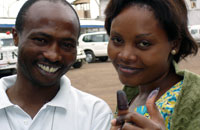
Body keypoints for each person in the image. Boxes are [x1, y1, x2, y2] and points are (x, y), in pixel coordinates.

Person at [0, 0, 113, 130]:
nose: (53, 56)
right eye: (41, 40)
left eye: (67, 45)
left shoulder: (94, 114)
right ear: (16, 37)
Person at [104, 0, 200, 129]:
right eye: (117, 40)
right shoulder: (132, 94)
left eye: (144, 43)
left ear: (175, 44)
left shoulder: (195, 101)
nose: (125, 55)